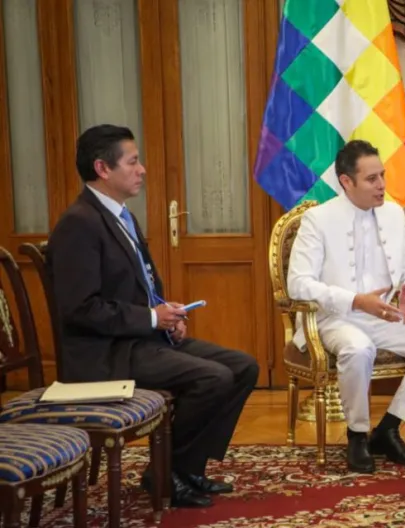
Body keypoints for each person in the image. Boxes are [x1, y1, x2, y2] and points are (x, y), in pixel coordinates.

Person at [48, 124, 259, 508]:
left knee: (243, 366)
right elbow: (80, 309)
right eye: (133, 161)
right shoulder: (78, 224)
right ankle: (164, 474)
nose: (142, 169)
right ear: (103, 168)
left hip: (141, 339)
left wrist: (168, 313)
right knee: (213, 378)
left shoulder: (120, 216)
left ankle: (186, 468)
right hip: (105, 354)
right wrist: (149, 318)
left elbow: (140, 285)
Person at [286, 139, 405, 474]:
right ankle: (357, 435)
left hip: (385, 316)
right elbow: (298, 283)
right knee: (359, 349)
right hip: (336, 318)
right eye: (371, 179)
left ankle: (389, 428)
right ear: (346, 182)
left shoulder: (393, 213)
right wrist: (355, 300)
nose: (382, 186)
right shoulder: (318, 220)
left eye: (382, 176)